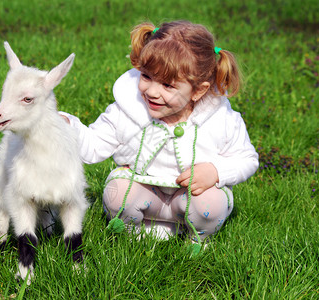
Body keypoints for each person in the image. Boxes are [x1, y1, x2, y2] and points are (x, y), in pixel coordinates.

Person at [61, 20, 259, 250]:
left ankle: (197, 241)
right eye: (146, 76)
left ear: (198, 90)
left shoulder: (220, 119)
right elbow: (94, 145)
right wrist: (68, 126)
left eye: (167, 85)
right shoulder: (128, 109)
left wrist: (215, 172)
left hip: (189, 200)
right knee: (117, 192)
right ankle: (133, 238)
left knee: (210, 203)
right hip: (146, 194)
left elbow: (247, 159)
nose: (152, 92)